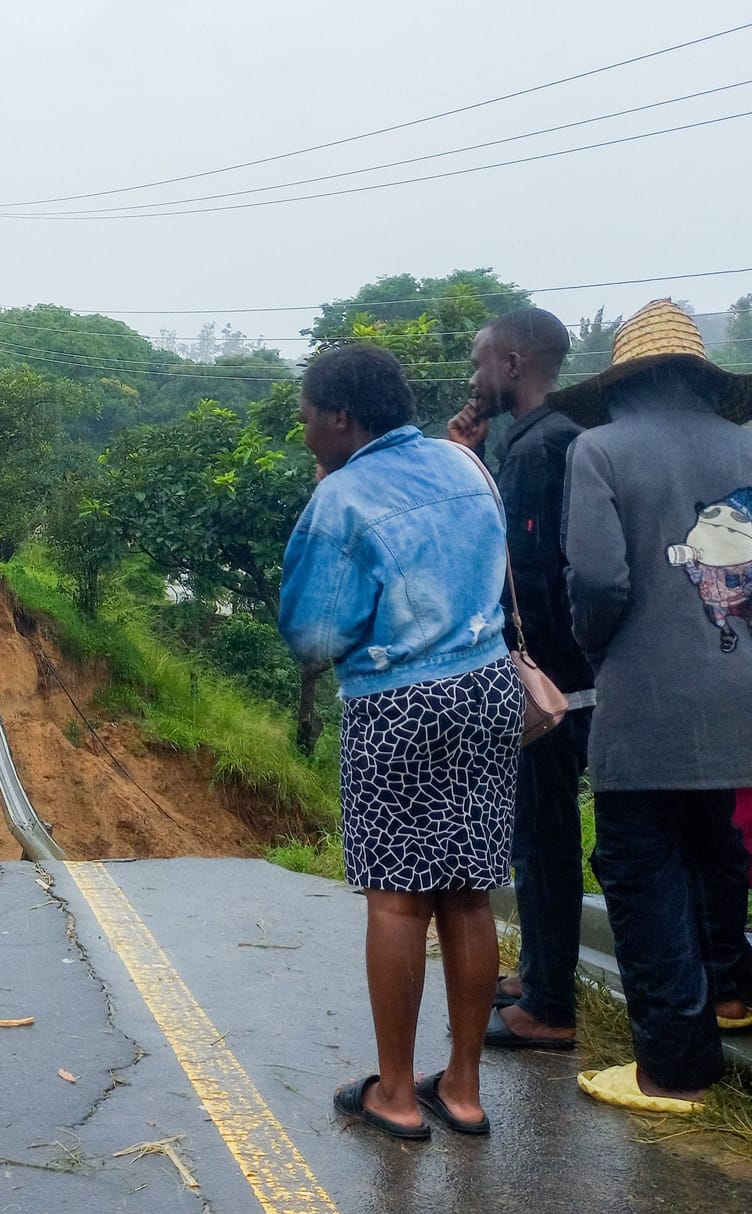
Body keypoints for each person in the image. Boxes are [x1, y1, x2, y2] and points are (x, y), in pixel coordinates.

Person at [279, 343, 520, 1140]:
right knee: (468, 891)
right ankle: (463, 1087)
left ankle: (391, 1093)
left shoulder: (342, 497)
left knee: (397, 896)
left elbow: (313, 635)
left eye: (309, 414)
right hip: (488, 690)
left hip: (398, 703)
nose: (305, 428)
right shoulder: (464, 467)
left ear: (341, 417)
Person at [553, 299, 752, 1113]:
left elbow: (598, 582)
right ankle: (729, 999)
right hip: (740, 697)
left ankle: (672, 1068)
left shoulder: (598, 450)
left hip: (645, 702)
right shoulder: (746, 445)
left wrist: (604, 649)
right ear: (700, 377)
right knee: (717, 859)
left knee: (643, 873)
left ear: (621, 384)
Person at [447, 309, 594, 1053]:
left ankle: (550, 1006)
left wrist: (516, 663)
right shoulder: (533, 441)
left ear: (511, 362)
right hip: (564, 677)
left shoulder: (545, 449)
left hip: (551, 682)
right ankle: (537, 974)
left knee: (544, 839)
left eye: (479, 363)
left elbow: (527, 577)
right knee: (537, 835)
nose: (473, 380)